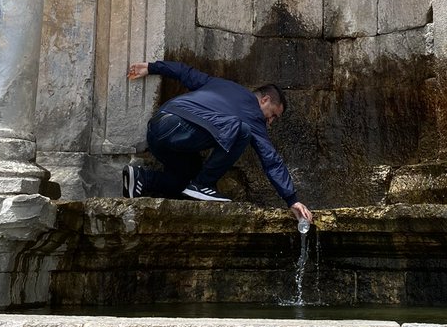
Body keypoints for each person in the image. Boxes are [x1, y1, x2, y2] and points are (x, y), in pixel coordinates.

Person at [124, 59, 314, 224]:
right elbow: (270, 158)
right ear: (264, 100)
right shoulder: (254, 114)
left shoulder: (220, 84)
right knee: (243, 132)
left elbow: (184, 72)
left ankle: (142, 178)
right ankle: (203, 185)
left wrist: (151, 67)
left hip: (158, 129)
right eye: (273, 115)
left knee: (187, 178)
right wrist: (292, 199)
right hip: (177, 128)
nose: (270, 123)